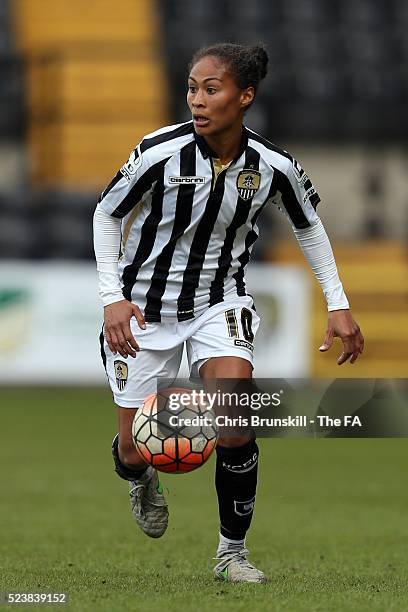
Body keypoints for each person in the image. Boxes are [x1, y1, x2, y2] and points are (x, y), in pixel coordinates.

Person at [93, 42, 364, 584]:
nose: (197, 99)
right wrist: (112, 298)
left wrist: (338, 303)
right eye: (192, 87)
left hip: (221, 300)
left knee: (234, 422)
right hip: (144, 309)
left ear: (244, 97)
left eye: (210, 89)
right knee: (135, 451)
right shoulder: (157, 152)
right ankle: (138, 477)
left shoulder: (272, 165)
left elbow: (309, 226)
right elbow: (106, 214)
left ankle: (231, 554)